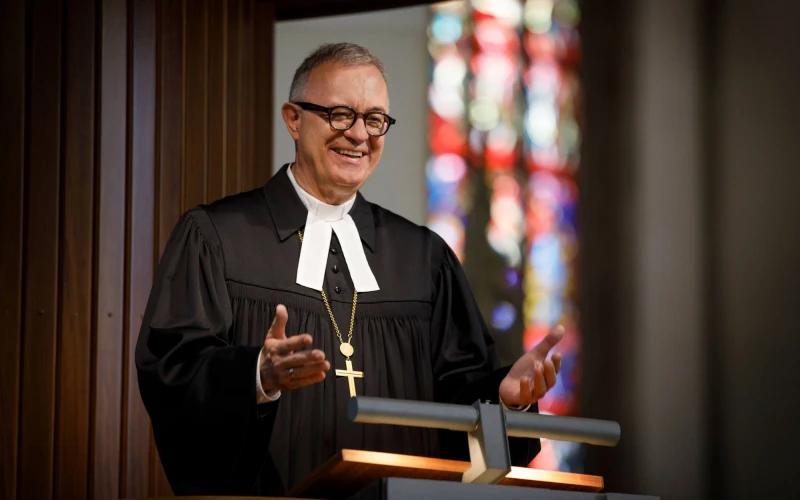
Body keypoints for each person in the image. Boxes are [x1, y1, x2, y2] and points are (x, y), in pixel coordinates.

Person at [135, 42, 564, 497]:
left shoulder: (423, 258)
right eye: (340, 115)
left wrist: (505, 400)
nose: (359, 135)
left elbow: (459, 395)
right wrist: (256, 375)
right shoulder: (217, 238)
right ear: (293, 119)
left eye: (374, 119)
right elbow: (173, 374)